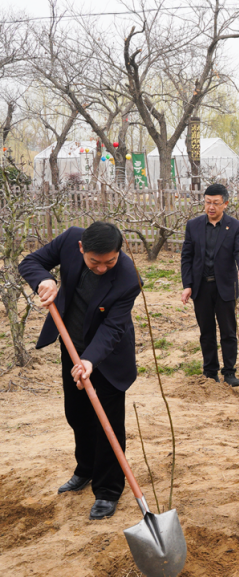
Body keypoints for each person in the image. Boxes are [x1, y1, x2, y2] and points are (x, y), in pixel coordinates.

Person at [19, 222, 141, 520]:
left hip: (108, 357)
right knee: (77, 413)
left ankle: (108, 490)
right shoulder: (70, 238)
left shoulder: (128, 278)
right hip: (72, 344)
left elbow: (113, 328)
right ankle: (85, 469)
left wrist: (90, 360)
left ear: (119, 252)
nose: (102, 268)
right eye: (94, 262)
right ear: (81, 249)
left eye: (110, 261)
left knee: (107, 423)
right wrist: (45, 280)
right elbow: (30, 262)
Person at [180, 183, 239, 386]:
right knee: (206, 332)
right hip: (201, 287)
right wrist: (188, 284)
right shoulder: (193, 225)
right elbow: (187, 257)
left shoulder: (235, 226)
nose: (211, 207)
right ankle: (210, 372)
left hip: (225, 286)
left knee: (228, 331)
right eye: (208, 202)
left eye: (216, 203)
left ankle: (229, 372)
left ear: (225, 204)